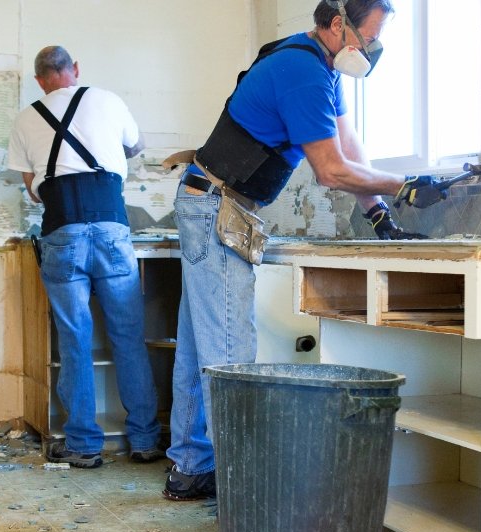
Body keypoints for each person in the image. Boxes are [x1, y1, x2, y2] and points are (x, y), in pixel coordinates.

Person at [162, 0, 450, 499]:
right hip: (216, 208)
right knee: (230, 353)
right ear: (338, 25)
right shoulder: (302, 71)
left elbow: (350, 152)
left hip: (209, 203)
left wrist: (381, 214)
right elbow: (330, 170)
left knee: (199, 348)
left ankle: (191, 468)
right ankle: (243, 488)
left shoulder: (319, 69)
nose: (376, 49)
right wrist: (406, 184)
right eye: (372, 37)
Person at [8, 46, 162, 469]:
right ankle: (145, 441)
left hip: (62, 233)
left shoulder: (25, 119)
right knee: (129, 339)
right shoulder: (108, 100)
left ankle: (83, 446)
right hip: (113, 229)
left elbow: (32, 189)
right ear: (75, 70)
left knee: (75, 341)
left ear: (39, 80)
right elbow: (137, 145)